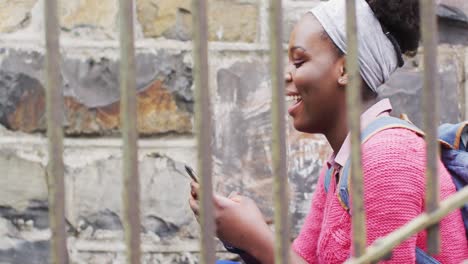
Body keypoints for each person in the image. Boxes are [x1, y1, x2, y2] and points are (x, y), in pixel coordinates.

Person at [189, 0, 468, 263]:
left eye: (299, 62)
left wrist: (257, 239)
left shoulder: (387, 158)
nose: (286, 74)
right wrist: (241, 232)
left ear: (345, 69)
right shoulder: (340, 165)